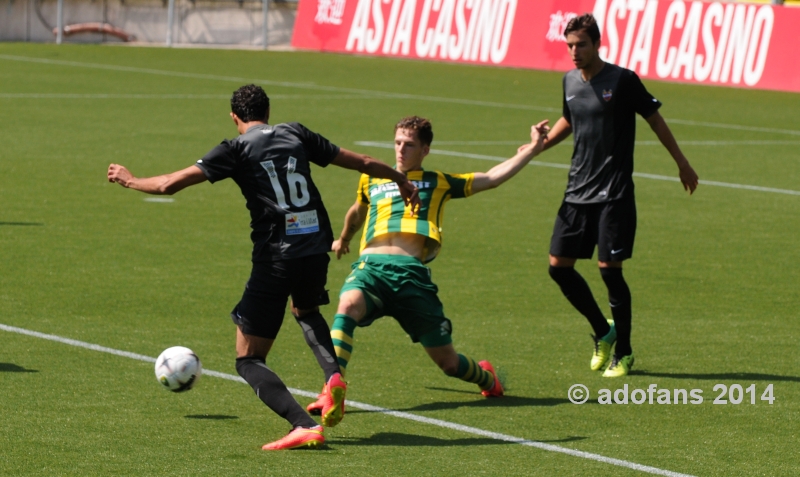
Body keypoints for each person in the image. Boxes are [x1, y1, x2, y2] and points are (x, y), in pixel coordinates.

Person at [107, 84, 420, 450]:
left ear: (235, 117)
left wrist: (129, 180)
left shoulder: (236, 148)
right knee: (306, 310)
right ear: (268, 112)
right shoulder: (296, 133)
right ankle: (333, 377)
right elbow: (364, 163)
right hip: (316, 246)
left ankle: (302, 425)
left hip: (276, 256)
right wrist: (400, 178)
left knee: (248, 357)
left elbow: (169, 184)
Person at [304, 115, 550, 415]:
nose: (401, 150)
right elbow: (357, 212)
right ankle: (331, 389)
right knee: (346, 306)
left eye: (409, 145)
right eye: (397, 143)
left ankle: (487, 377)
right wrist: (343, 239)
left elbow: (492, 177)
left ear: (425, 150)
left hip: (412, 277)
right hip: (370, 267)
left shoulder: (438, 182)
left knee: (448, 363)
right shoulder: (373, 178)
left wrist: (533, 149)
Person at [540, 14, 699, 377]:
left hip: (613, 193)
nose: (574, 52)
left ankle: (624, 352)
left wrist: (682, 163)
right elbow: (570, 117)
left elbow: (654, 118)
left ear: (597, 44)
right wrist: (539, 145)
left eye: (581, 45)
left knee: (610, 270)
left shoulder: (623, 80)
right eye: (569, 46)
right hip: (576, 191)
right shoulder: (568, 81)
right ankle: (603, 330)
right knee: (558, 268)